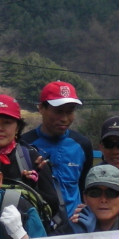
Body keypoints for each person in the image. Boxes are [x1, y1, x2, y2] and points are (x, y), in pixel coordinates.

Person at [0, 95, 61, 230]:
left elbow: (53, 206)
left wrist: (31, 190)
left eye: (7, 122)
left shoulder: (31, 158)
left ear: (17, 128)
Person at [21, 80, 92, 222]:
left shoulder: (82, 145)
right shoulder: (23, 145)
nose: (64, 118)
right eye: (58, 111)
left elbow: (85, 187)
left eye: (70, 112)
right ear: (41, 108)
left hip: (74, 229)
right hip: (37, 227)